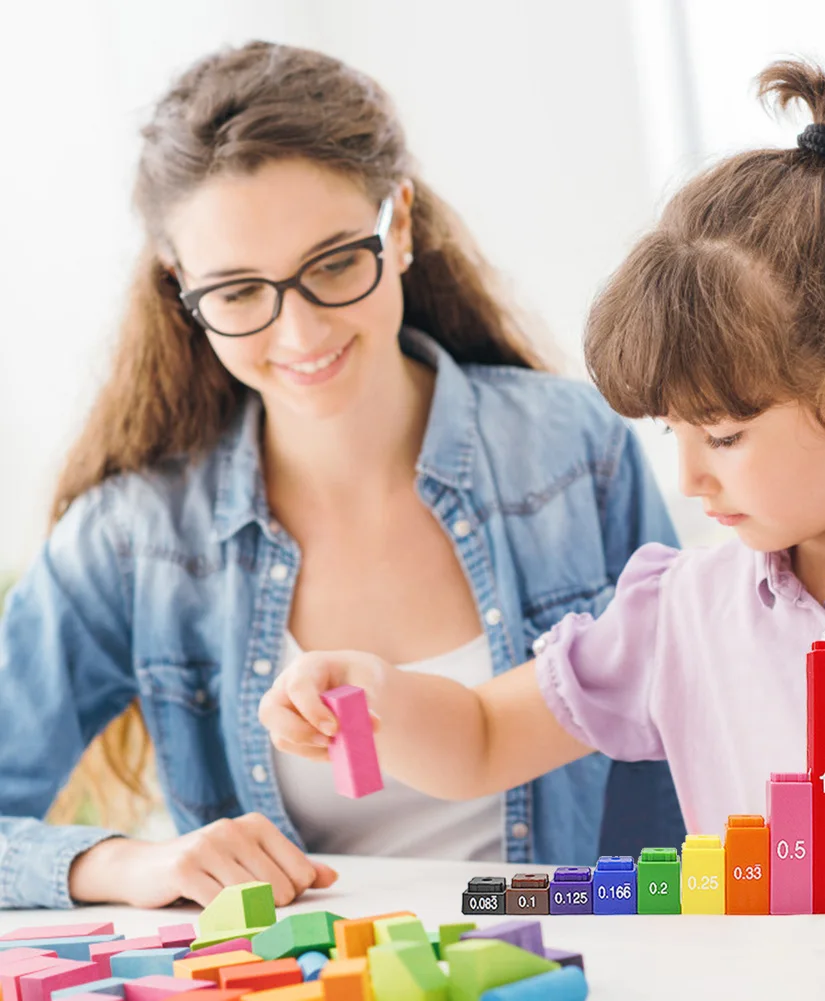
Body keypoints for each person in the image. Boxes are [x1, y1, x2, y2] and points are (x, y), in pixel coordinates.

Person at [262, 59, 825, 882]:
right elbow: (480, 735)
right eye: (671, 431)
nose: (688, 477)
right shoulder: (679, 611)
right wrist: (376, 694)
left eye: (722, 435)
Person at [0, 41, 685, 911]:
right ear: (180, 286)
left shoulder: (571, 451)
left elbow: (685, 761)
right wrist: (135, 865)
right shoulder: (136, 537)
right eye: (240, 292)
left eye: (332, 264)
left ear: (397, 225)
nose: (299, 334)